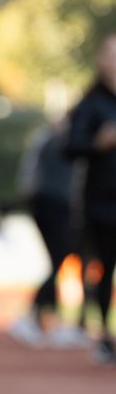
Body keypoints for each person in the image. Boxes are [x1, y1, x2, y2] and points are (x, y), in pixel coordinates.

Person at [8, 111, 86, 348]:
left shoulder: (45, 141)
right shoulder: (58, 143)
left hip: (48, 204)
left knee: (58, 260)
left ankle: (44, 318)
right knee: (60, 257)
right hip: (53, 204)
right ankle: (31, 315)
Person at [65, 32, 116, 364]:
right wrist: (99, 143)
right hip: (103, 201)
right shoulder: (91, 103)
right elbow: (69, 146)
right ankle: (105, 338)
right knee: (105, 268)